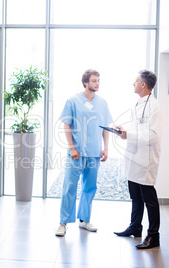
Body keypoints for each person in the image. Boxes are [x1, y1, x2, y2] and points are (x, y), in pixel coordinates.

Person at [55, 69, 112, 237]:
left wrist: (106, 147)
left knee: (90, 187)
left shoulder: (102, 103)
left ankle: (84, 220)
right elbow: (66, 124)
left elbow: (105, 127)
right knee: (69, 187)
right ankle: (63, 223)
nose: (97, 84)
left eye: (99, 81)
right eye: (94, 81)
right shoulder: (72, 101)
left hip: (94, 152)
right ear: (85, 82)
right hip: (76, 153)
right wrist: (71, 147)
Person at [113, 70, 163, 250]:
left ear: (143, 85)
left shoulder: (154, 106)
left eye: (135, 82)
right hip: (135, 156)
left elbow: (152, 135)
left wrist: (130, 135)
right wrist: (124, 130)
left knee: (149, 198)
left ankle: (153, 236)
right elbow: (138, 128)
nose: (132, 84)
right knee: (135, 195)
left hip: (146, 159)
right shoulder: (138, 103)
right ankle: (135, 227)